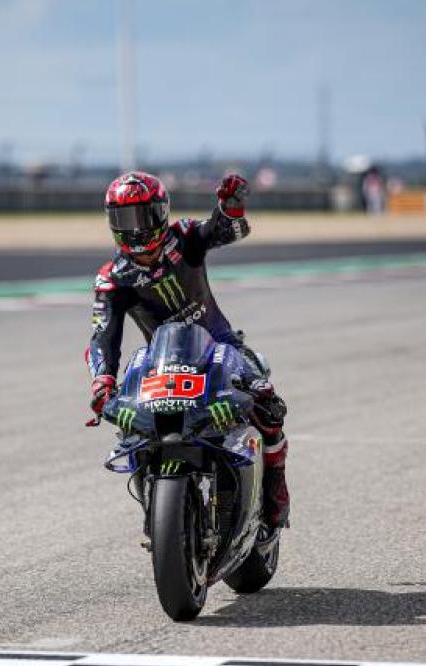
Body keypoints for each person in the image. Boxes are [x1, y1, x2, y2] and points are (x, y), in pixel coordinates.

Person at [85, 171, 290, 530]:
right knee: (133, 426)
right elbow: (103, 335)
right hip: (163, 360)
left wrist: (231, 208)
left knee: (269, 406)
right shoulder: (112, 277)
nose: (134, 228)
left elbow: (228, 231)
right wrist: (102, 383)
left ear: (161, 213)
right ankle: (159, 507)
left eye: (141, 216)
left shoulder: (184, 237)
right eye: (123, 218)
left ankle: (275, 497)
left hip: (221, 345)